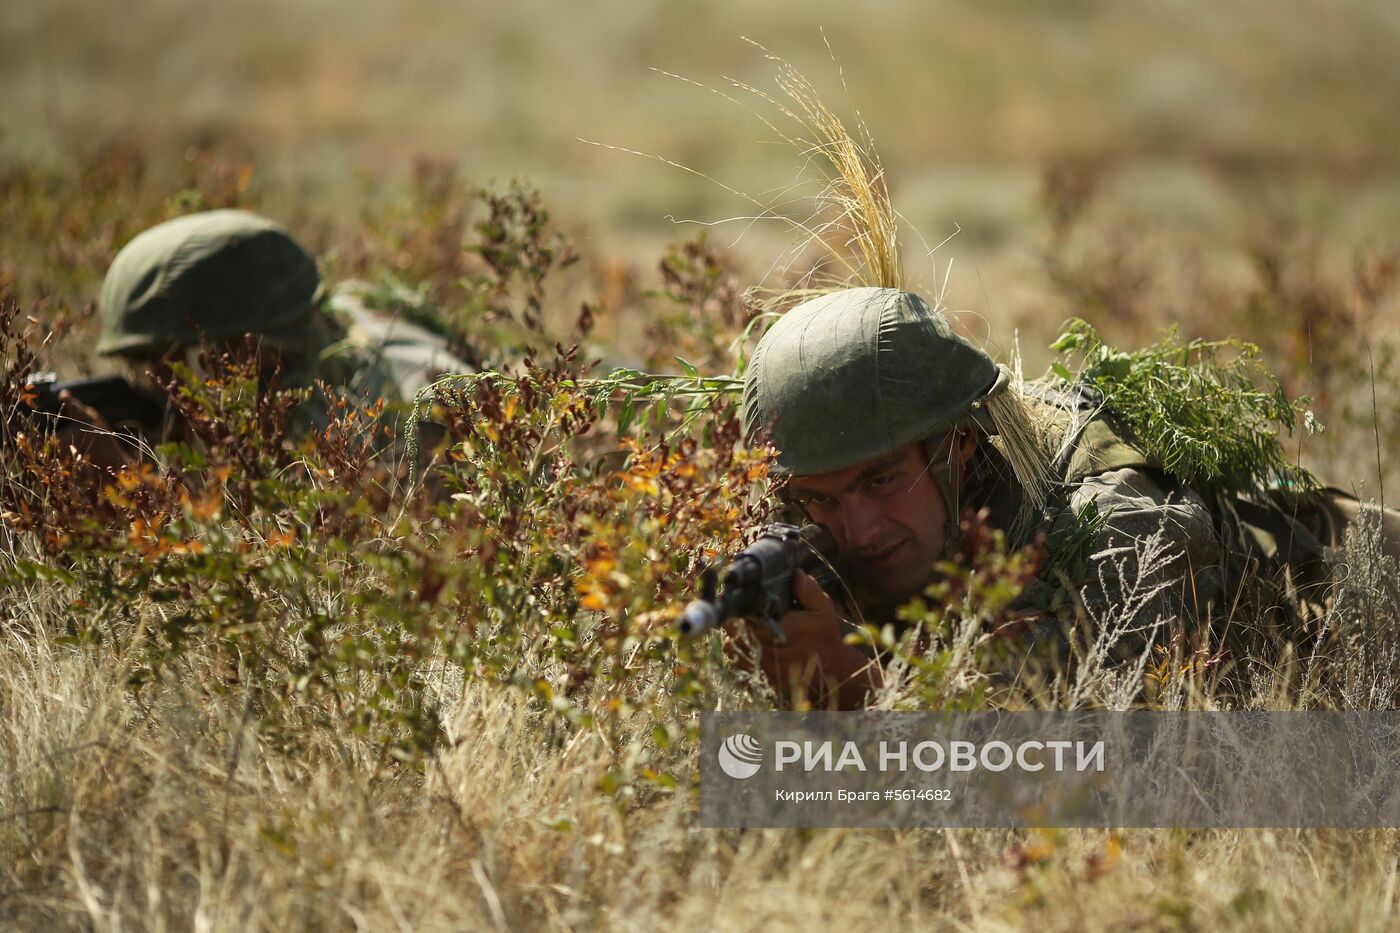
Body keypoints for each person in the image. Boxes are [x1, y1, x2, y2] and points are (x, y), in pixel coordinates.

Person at [735, 286, 1400, 709]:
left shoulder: (1114, 526)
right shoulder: (826, 533)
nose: (856, 527)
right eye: (819, 500)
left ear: (959, 443)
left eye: (878, 481)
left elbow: (1095, 750)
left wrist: (859, 684)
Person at [58, 209, 471, 469]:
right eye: (147, 361)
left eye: (175, 362)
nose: (160, 381)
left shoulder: (395, 405)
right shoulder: (278, 383)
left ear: (255, 349)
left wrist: (129, 483)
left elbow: (316, 547)